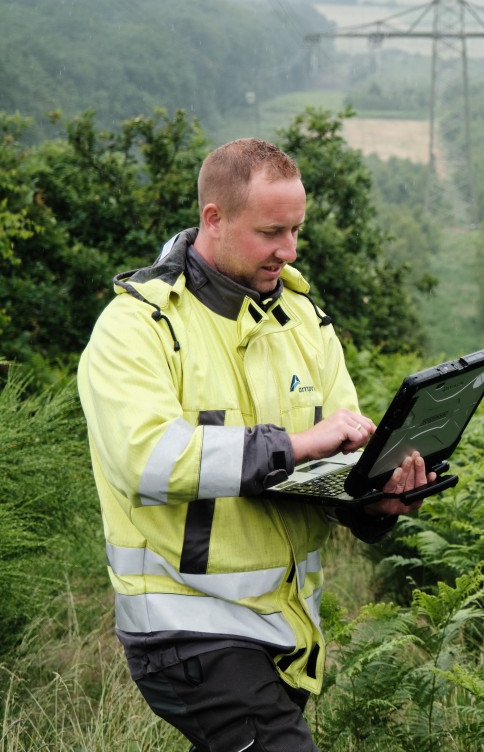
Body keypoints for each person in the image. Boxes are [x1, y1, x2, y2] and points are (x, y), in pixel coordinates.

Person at [78, 137, 435, 752]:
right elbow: (148, 461)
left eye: (296, 230)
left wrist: (374, 502)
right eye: (272, 232)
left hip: (287, 633)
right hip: (187, 630)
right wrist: (298, 443)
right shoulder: (135, 326)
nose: (289, 250)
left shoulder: (306, 322)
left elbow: (335, 465)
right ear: (214, 218)